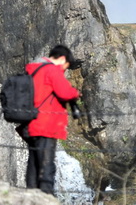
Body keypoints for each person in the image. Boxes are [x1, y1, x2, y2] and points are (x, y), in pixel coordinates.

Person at [23, 44, 82, 195]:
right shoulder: (51, 70)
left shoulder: (33, 69)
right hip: (46, 125)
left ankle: (31, 194)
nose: (65, 70)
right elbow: (65, 92)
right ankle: (46, 197)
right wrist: (75, 93)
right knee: (46, 165)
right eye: (66, 67)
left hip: (31, 123)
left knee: (34, 163)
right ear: (62, 59)